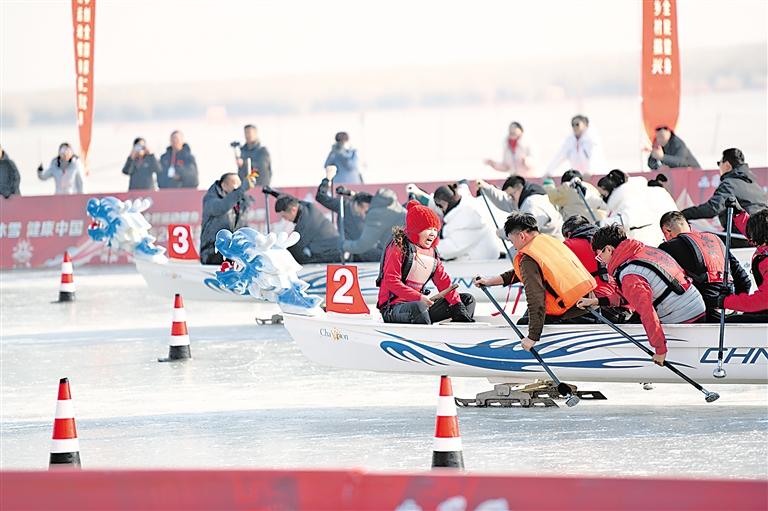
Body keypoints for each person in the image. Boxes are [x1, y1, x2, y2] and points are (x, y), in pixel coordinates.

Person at [580, 225, 706, 365]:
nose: (601, 260)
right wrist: (596, 301)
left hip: (684, 317)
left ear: (609, 249)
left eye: (599, 255)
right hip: (696, 304)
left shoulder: (629, 274)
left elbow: (646, 311)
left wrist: (660, 350)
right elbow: (626, 298)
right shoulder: (643, 251)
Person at [474, 213, 596, 351]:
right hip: (590, 303)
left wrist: (532, 337)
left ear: (521, 236)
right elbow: (521, 272)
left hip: (570, 312)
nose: (514, 247)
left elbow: (536, 299)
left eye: (512, 242)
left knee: (523, 323)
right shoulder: (549, 242)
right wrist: (490, 281)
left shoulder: (528, 259)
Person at [376, 200, 475, 324]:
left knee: (466, 300)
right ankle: (427, 338)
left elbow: (443, 281)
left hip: (420, 305)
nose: (433, 234)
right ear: (416, 228)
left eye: (435, 229)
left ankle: (457, 336)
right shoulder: (398, 246)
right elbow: (391, 281)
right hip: (394, 308)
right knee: (418, 307)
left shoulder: (432, 252)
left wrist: (456, 304)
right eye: (428, 229)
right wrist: (418, 297)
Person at [658, 211, 751, 322]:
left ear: (667, 231)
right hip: (729, 311)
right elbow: (745, 281)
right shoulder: (715, 239)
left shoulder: (667, 247)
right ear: (688, 225)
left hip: (700, 315)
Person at [681, 148, 767, 240]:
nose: (719, 167)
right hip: (762, 236)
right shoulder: (755, 185)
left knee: (708, 244)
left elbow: (713, 208)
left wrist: (683, 214)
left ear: (727, 165)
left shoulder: (730, 183)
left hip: (742, 236)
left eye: (719, 163)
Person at [597, 169, 678, 246]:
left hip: (647, 245)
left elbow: (627, 220)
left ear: (612, 190)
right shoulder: (652, 191)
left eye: (604, 195)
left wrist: (601, 224)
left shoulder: (632, 197)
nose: (603, 198)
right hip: (669, 240)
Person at [315, 166, 377, 261]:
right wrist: (327, 179)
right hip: (349, 253)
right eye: (366, 210)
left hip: (368, 252)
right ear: (362, 204)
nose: (366, 214)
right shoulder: (344, 205)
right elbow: (321, 197)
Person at [433, 182, 502, 261]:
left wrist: (427, 247)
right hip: (480, 263)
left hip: (478, 267)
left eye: (439, 206)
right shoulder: (465, 206)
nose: (440, 210)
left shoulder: (468, 216)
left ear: (444, 203)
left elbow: (453, 247)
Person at [721, 206, 768, 323]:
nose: (750, 241)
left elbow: (763, 300)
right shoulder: (764, 244)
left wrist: (725, 301)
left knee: (733, 323)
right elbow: (757, 231)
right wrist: (739, 215)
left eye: (753, 239)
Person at [477, 176, 563, 239]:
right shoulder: (524, 198)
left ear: (518, 189)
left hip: (551, 248)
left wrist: (502, 233)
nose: (510, 199)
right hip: (546, 243)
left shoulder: (532, 204)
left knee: (514, 254)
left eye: (511, 195)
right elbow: (504, 201)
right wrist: (486, 187)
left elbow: (524, 230)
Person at [200, 173, 253, 265]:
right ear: (224, 185)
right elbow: (221, 207)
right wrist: (241, 190)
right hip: (213, 253)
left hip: (233, 254)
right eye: (235, 183)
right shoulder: (210, 199)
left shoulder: (240, 203)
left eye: (240, 184)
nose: (239, 187)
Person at [342, 187, 406, 262]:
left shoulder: (376, 214)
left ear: (364, 205)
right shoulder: (393, 206)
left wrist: (343, 245)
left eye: (359, 213)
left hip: (400, 256)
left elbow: (363, 245)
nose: (362, 217)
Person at [274, 194, 341, 264]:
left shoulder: (305, 223)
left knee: (297, 258)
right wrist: (273, 193)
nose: (285, 219)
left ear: (293, 210)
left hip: (330, 255)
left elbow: (294, 248)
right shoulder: (306, 206)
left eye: (284, 216)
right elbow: (293, 200)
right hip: (332, 248)